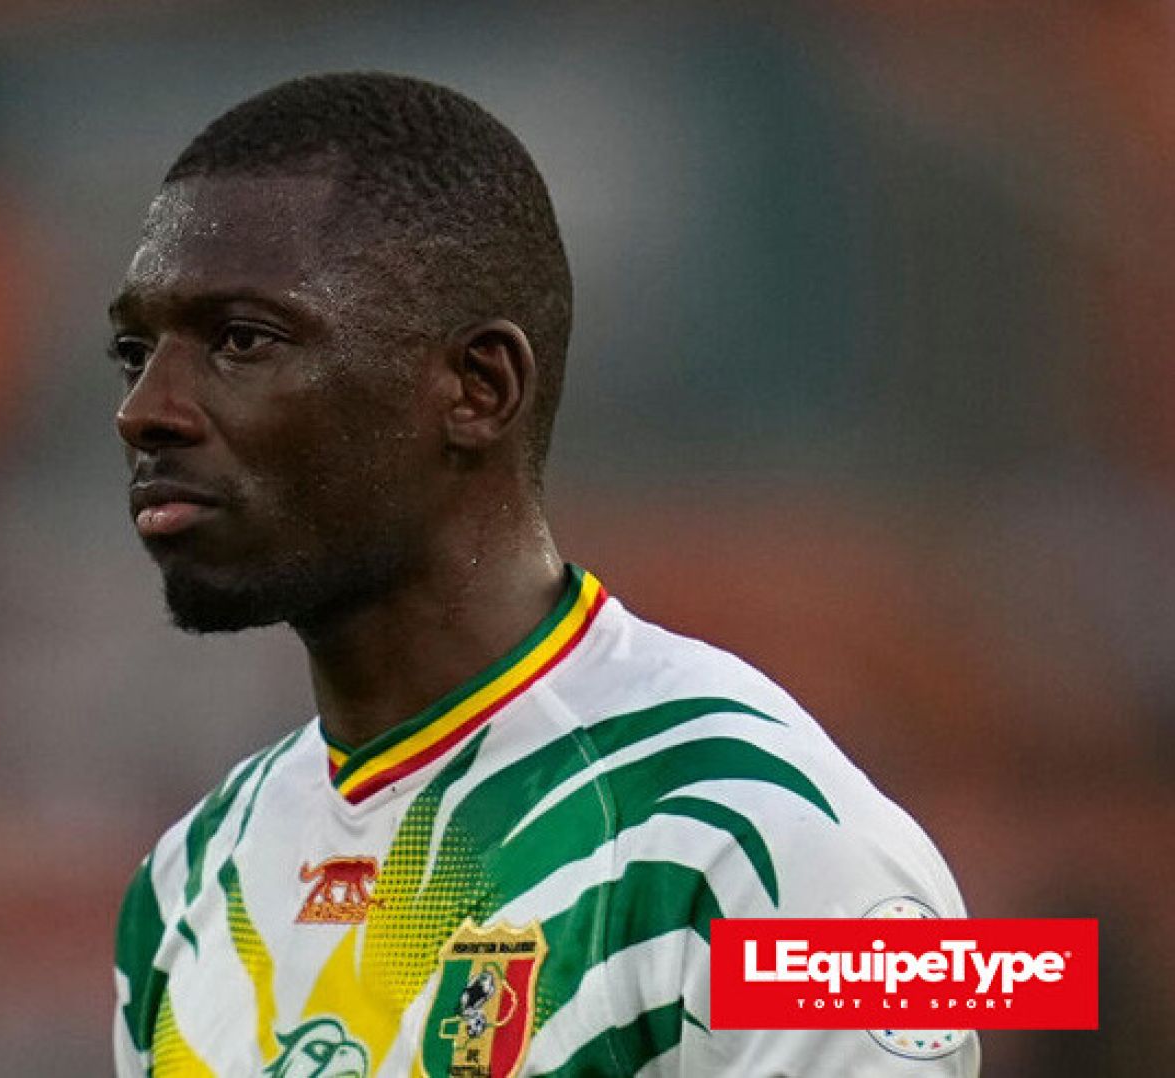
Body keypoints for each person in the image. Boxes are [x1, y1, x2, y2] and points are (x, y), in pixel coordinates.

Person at [109, 72, 977, 1077]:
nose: (145, 409)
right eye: (134, 351)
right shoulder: (182, 888)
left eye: (241, 340)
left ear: (479, 388)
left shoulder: (768, 838)